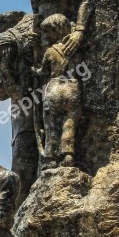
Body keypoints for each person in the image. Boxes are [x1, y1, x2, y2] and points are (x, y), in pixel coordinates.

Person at [0, 11, 39, 204]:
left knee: (22, 176)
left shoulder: (25, 61)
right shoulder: (13, 63)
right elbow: (0, 94)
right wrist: (5, 68)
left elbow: (17, 92)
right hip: (19, 126)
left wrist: (6, 67)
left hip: (29, 124)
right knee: (21, 172)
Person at [34, 14, 82, 168]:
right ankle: (68, 155)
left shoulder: (50, 51)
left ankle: (51, 157)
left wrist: (35, 69)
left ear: (57, 30)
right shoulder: (75, 49)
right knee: (69, 123)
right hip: (72, 87)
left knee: (51, 125)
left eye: (48, 32)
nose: (46, 36)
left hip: (54, 87)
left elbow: (43, 72)